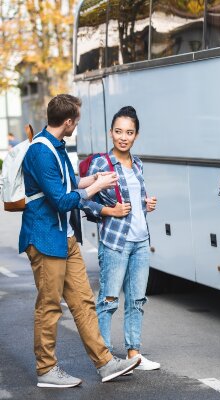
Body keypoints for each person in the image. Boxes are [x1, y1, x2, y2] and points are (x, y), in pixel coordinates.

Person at [19, 94, 141, 388]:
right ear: (69, 121)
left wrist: (92, 178)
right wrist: (96, 186)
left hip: (65, 237)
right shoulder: (40, 152)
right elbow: (61, 201)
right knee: (49, 306)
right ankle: (46, 369)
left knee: (84, 302)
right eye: (77, 120)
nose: (77, 125)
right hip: (45, 238)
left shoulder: (57, 147)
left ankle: (105, 363)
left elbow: (67, 183)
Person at [86, 106, 160, 371]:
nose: (123, 137)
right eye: (118, 131)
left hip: (141, 241)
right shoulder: (101, 164)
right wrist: (109, 211)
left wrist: (146, 203)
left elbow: (134, 197)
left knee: (137, 300)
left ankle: (134, 355)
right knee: (108, 301)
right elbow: (83, 202)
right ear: (110, 133)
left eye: (129, 132)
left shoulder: (137, 163)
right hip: (116, 242)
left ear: (136, 135)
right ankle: (104, 358)